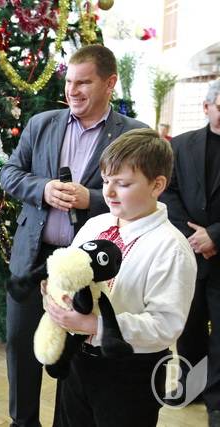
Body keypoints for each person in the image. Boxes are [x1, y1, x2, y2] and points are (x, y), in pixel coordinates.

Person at [0, 44, 149, 427]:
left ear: (110, 83)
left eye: (84, 83)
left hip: (92, 270)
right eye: (69, 82)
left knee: (80, 358)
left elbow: (145, 197)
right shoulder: (41, 124)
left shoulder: (134, 135)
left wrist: (92, 199)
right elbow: (10, 174)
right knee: (21, 346)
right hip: (32, 259)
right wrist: (43, 188)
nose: (72, 91)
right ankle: (23, 423)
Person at [49, 128, 196, 426]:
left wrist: (95, 325)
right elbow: (69, 273)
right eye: (106, 181)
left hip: (129, 371)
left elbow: (166, 325)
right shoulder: (95, 225)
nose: (109, 192)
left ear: (157, 185)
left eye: (123, 184)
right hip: (78, 360)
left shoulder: (171, 248)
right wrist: (56, 294)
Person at [161, 79, 220, 426]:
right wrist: (195, 237)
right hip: (190, 253)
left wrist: (215, 236)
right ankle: (190, 386)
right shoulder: (180, 145)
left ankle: (217, 401)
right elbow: (167, 193)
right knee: (189, 326)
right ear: (207, 107)